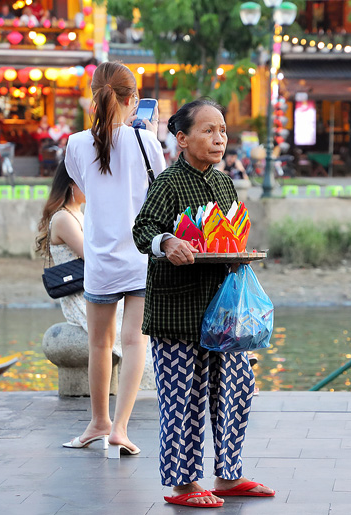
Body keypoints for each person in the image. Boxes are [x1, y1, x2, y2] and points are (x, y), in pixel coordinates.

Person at [133, 99, 275, 508]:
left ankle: (228, 476)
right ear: (181, 139)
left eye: (223, 132)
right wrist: (169, 241)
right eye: (208, 131)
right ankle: (181, 484)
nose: (219, 139)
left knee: (236, 390)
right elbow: (143, 229)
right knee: (184, 399)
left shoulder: (223, 181)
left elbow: (227, 236)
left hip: (223, 315)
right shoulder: (169, 182)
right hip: (178, 313)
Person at [63, 61, 165, 457]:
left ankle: (98, 421)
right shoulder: (146, 143)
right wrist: (149, 137)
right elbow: (157, 187)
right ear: (132, 100)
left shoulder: (75, 144)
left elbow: (85, 184)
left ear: (93, 96)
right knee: (134, 342)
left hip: (101, 261)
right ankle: (120, 428)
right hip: (140, 257)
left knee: (98, 344)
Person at [34, 161, 157, 392]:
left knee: (141, 317)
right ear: (72, 184)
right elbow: (92, 256)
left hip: (97, 285)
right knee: (133, 327)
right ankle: (147, 383)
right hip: (81, 295)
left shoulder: (79, 214)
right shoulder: (63, 218)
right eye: (87, 183)